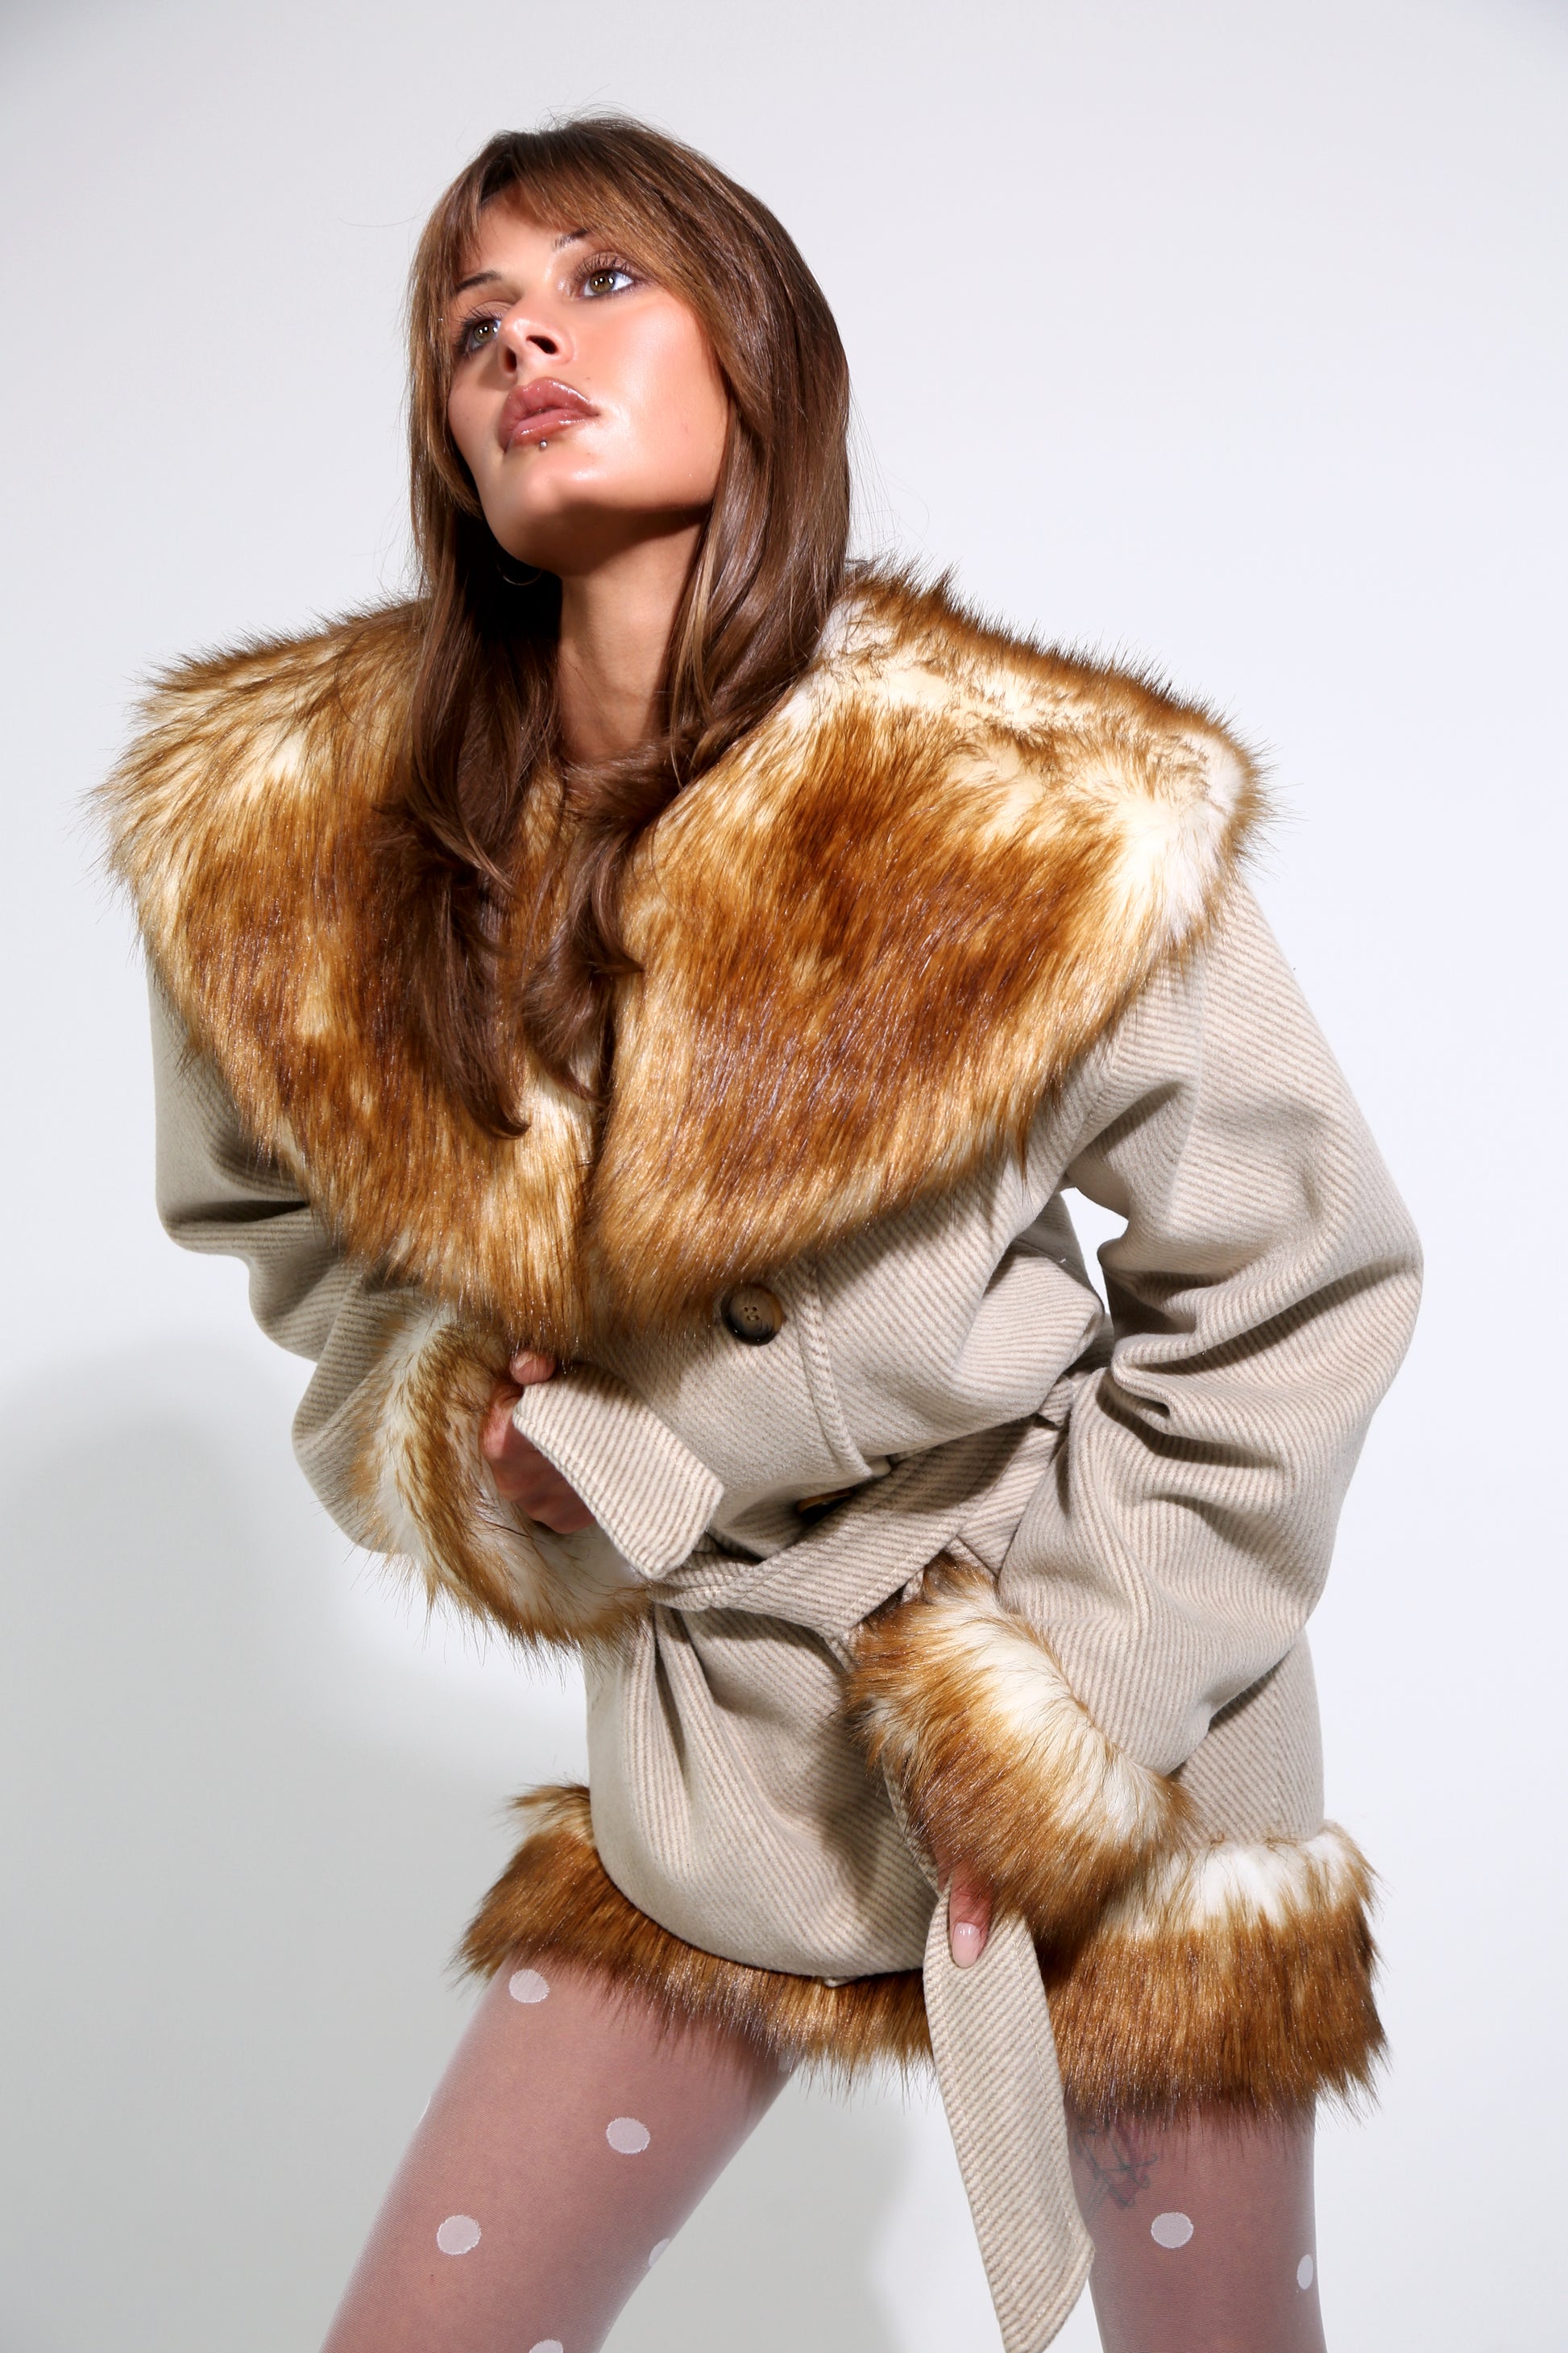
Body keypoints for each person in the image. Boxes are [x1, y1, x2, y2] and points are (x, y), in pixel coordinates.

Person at [103, 117, 1421, 2353]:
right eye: (471, 324)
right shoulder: (296, 843)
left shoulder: (1032, 803)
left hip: (1103, 1694)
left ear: (759, 349)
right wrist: (461, 1429)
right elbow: (285, 1231)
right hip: (712, 1732)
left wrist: (1063, 1695)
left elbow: (1298, 1270)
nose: (521, 340)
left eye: (600, 280)